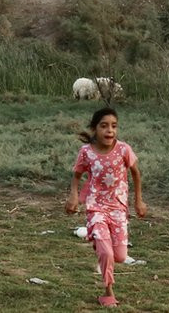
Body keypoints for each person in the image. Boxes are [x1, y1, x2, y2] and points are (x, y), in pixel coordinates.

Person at [65, 107, 147, 308]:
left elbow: (136, 173)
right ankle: (108, 292)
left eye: (114, 126)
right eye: (104, 126)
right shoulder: (86, 153)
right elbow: (77, 176)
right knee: (107, 253)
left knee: (119, 256)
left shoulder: (123, 150)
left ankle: (103, 249)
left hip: (118, 208)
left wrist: (138, 201)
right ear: (94, 129)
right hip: (96, 207)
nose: (110, 130)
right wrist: (74, 197)